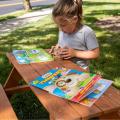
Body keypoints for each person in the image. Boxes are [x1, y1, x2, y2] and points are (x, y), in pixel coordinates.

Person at [49, 0, 100, 70]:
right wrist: (57, 49)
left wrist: (75, 53)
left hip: (81, 71)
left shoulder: (86, 32)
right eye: (58, 25)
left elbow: (95, 53)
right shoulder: (62, 30)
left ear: (74, 19)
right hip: (63, 67)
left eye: (63, 25)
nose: (60, 29)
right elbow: (60, 43)